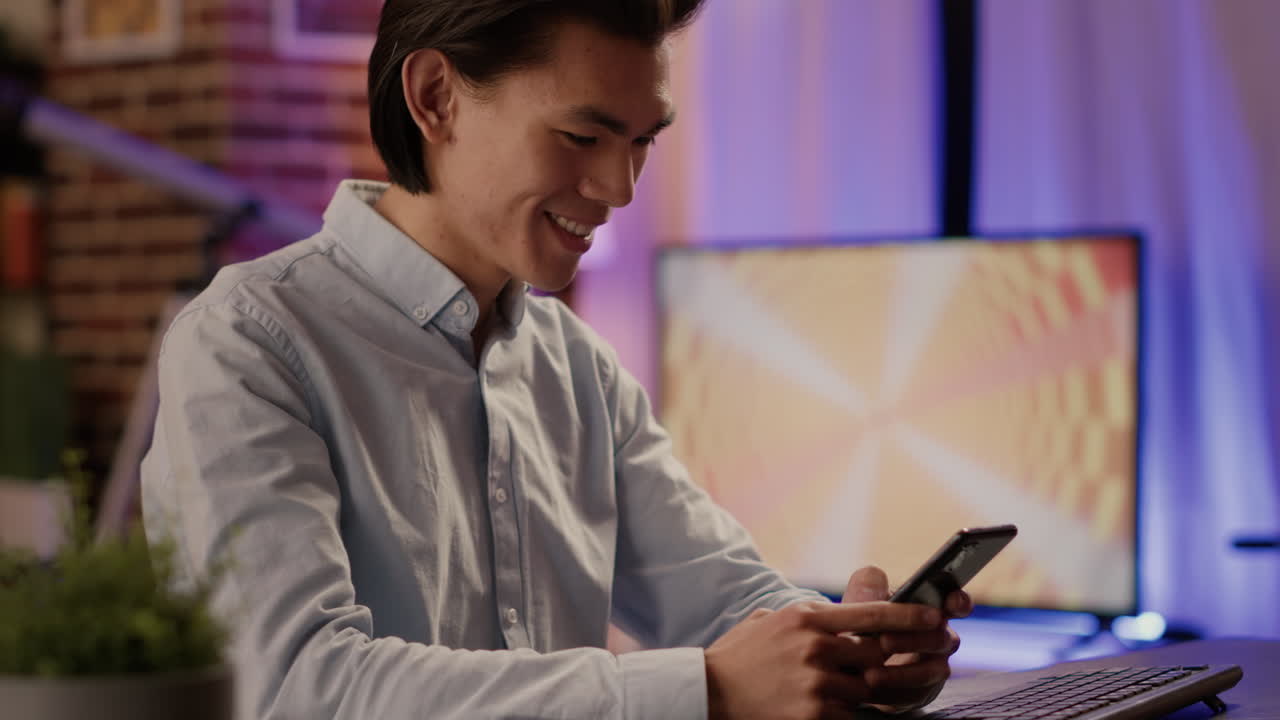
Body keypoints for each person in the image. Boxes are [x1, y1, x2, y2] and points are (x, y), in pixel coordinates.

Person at [141, 1, 972, 718]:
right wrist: (708, 693)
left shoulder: (579, 370)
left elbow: (728, 603)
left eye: (643, 140)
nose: (620, 187)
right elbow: (293, 689)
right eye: (584, 135)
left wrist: (847, 651)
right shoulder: (248, 343)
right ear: (437, 98)